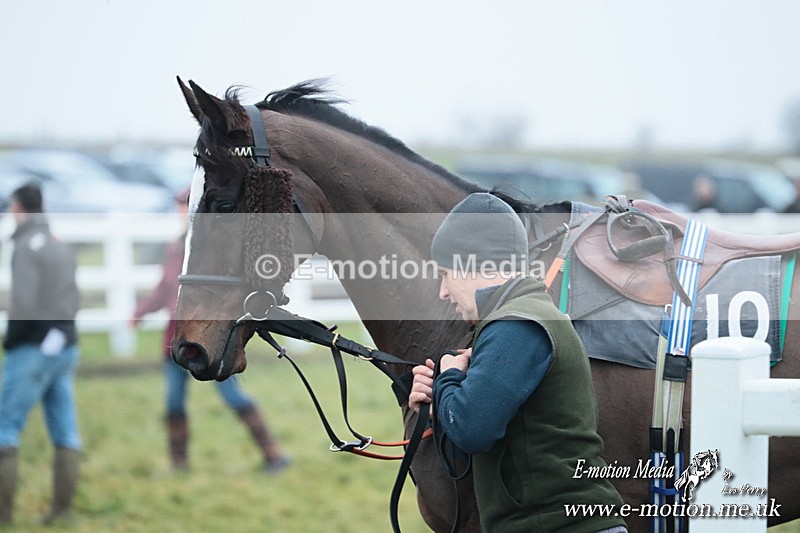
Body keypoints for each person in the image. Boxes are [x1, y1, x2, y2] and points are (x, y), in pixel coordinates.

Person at [409, 193, 627, 532]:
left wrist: (448, 379)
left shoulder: (515, 325)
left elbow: (472, 430)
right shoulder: (524, 315)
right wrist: (442, 399)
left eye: (445, 273)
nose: (443, 291)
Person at [130, 188, 288, 472]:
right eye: (179, 206)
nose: (181, 212)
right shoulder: (176, 247)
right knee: (174, 402)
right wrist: (139, 313)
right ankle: (179, 465)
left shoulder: (211, 251)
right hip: (176, 339)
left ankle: (273, 454)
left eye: (185, 206)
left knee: (233, 396)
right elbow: (165, 289)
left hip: (208, 337)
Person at [0, 183, 82, 525]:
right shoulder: (58, 245)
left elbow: (25, 305)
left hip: (32, 349)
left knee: (5, 428)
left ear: (17, 207)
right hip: (65, 346)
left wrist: (11, 342)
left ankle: (3, 516)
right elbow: (69, 298)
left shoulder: (24, 248)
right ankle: (63, 513)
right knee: (65, 430)